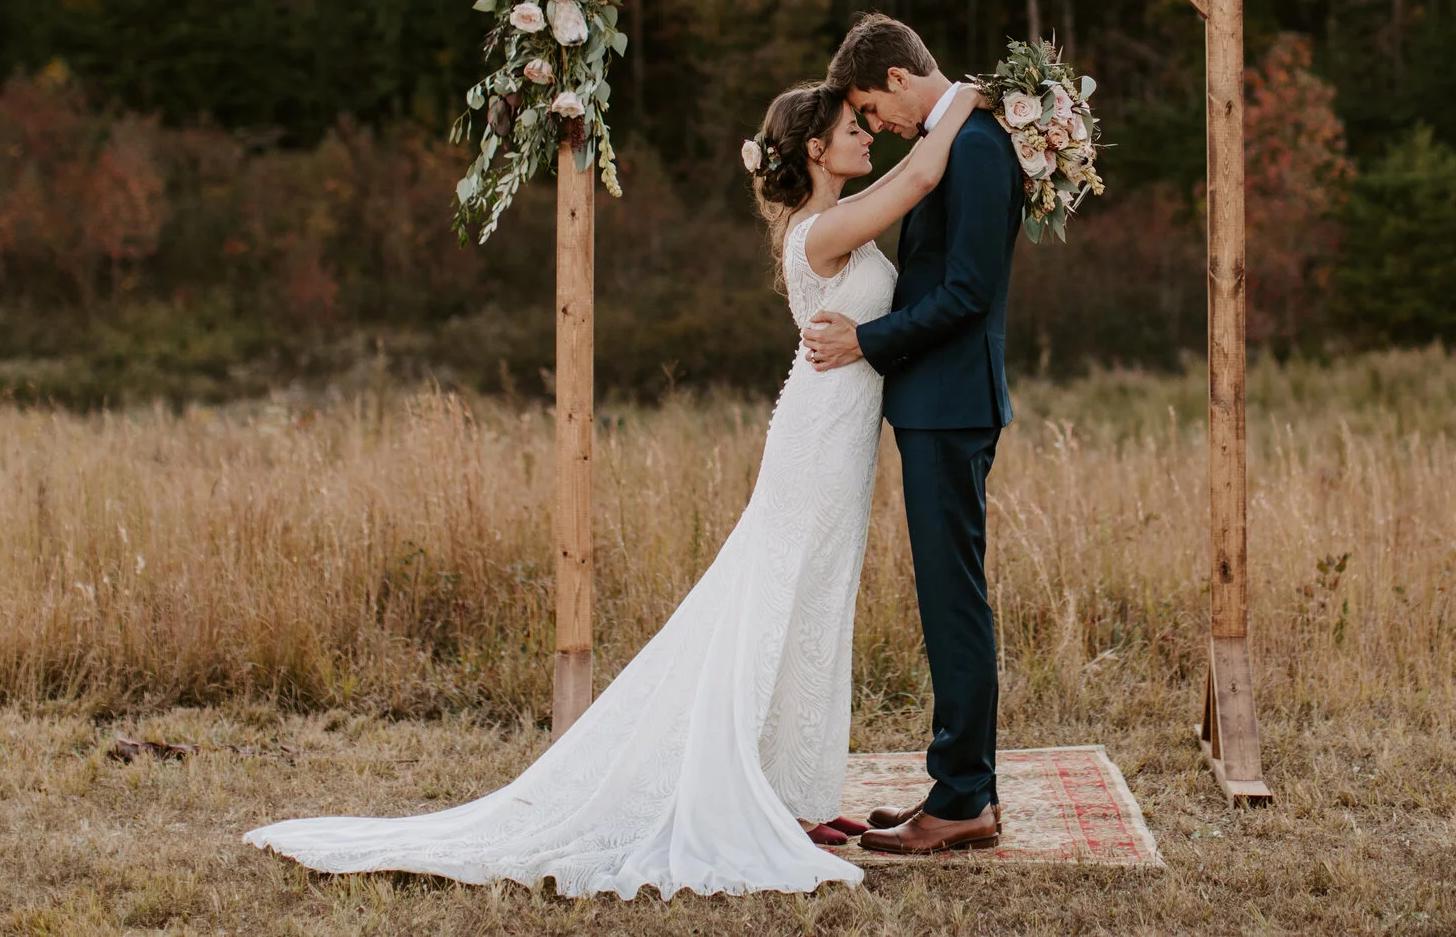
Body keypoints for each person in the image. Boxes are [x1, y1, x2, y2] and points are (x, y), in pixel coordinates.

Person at [242, 76, 980, 899]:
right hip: (815, 440)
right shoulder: (821, 230)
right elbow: (920, 175)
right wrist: (972, 97)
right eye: (853, 126)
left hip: (841, 439)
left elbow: (907, 180)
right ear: (815, 148)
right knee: (778, 603)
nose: (869, 133)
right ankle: (759, 790)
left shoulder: (841, 211)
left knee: (817, 605)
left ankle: (794, 793)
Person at [802, 13, 1024, 856]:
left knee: (953, 599)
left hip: (950, 400)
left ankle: (962, 797)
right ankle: (964, 786)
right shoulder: (954, 140)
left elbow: (967, 292)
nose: (876, 124)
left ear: (897, 77)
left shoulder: (975, 147)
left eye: (870, 106)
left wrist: (867, 340)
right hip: (939, 402)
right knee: (948, 595)